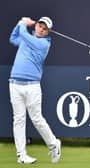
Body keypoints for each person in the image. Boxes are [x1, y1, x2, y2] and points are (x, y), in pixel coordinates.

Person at [9, 16, 61, 164]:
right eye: (40, 26)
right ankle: (21, 155)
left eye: (45, 29)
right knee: (18, 120)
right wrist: (20, 24)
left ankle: (53, 144)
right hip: (14, 84)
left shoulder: (44, 44)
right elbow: (13, 38)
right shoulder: (27, 40)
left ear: (47, 32)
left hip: (32, 86)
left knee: (37, 119)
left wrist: (22, 23)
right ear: (36, 25)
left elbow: (23, 34)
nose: (41, 30)